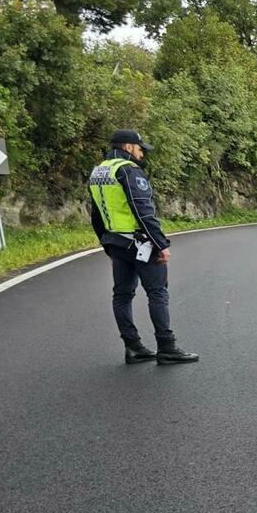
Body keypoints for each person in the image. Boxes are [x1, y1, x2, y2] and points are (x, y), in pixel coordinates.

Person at [87, 129, 198, 365]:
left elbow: (95, 214)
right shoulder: (129, 170)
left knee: (122, 295)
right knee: (157, 292)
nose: (142, 155)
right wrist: (161, 244)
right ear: (128, 147)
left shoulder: (99, 172)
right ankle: (167, 348)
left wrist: (105, 243)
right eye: (140, 149)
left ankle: (133, 347)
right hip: (139, 242)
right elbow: (142, 210)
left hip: (115, 242)